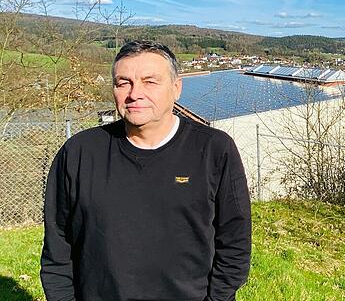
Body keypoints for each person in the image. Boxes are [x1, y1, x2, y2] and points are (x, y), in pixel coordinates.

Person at [40, 41, 252, 301]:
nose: (134, 93)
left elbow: (234, 243)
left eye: (150, 81)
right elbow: (57, 244)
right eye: (123, 82)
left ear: (176, 88)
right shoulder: (79, 152)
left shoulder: (214, 149)